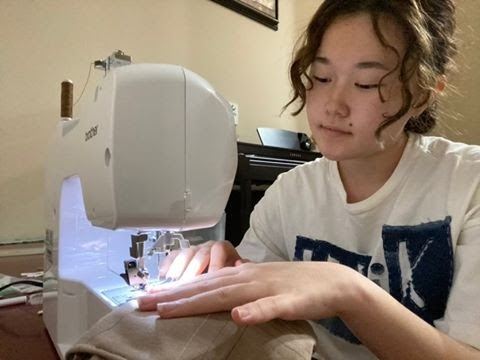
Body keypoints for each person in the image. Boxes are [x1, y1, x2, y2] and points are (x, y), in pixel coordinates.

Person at [138, 0, 480, 358]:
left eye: (365, 84)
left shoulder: (468, 184)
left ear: (423, 95)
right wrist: (225, 265)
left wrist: (348, 291)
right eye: (321, 77)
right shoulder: (289, 194)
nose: (333, 104)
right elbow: (251, 301)